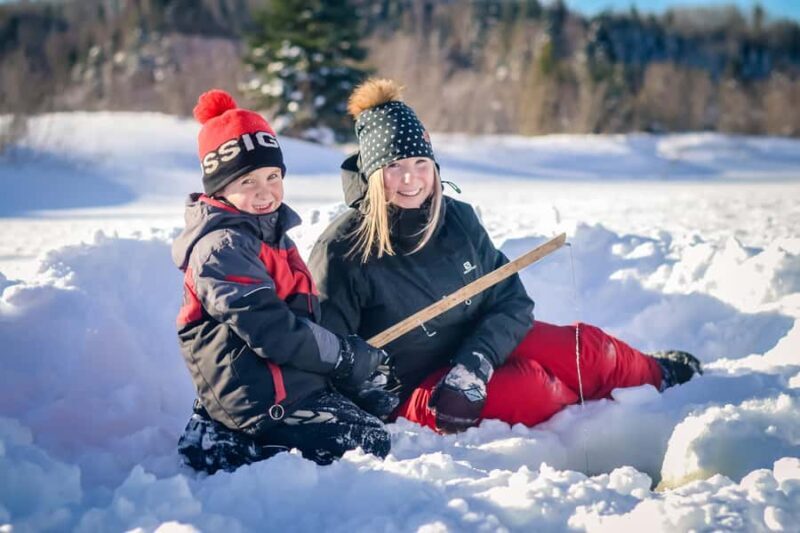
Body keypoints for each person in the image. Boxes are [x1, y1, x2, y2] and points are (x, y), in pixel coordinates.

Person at [308, 79, 702, 435]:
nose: (410, 179)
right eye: (394, 167)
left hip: (477, 348)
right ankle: (587, 401)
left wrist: (476, 362)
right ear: (374, 174)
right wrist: (372, 388)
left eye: (420, 164)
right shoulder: (342, 250)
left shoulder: (457, 219)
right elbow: (327, 358)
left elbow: (511, 300)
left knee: (588, 349)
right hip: (417, 388)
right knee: (531, 391)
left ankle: (656, 374)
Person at [172, 89, 392, 474]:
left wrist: (347, 365)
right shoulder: (221, 248)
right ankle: (227, 442)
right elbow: (274, 331)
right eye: (247, 181)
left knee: (375, 408)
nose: (265, 192)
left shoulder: (269, 235)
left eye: (273, 176)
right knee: (367, 440)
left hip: (284, 382)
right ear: (219, 188)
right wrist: (342, 356)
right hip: (256, 397)